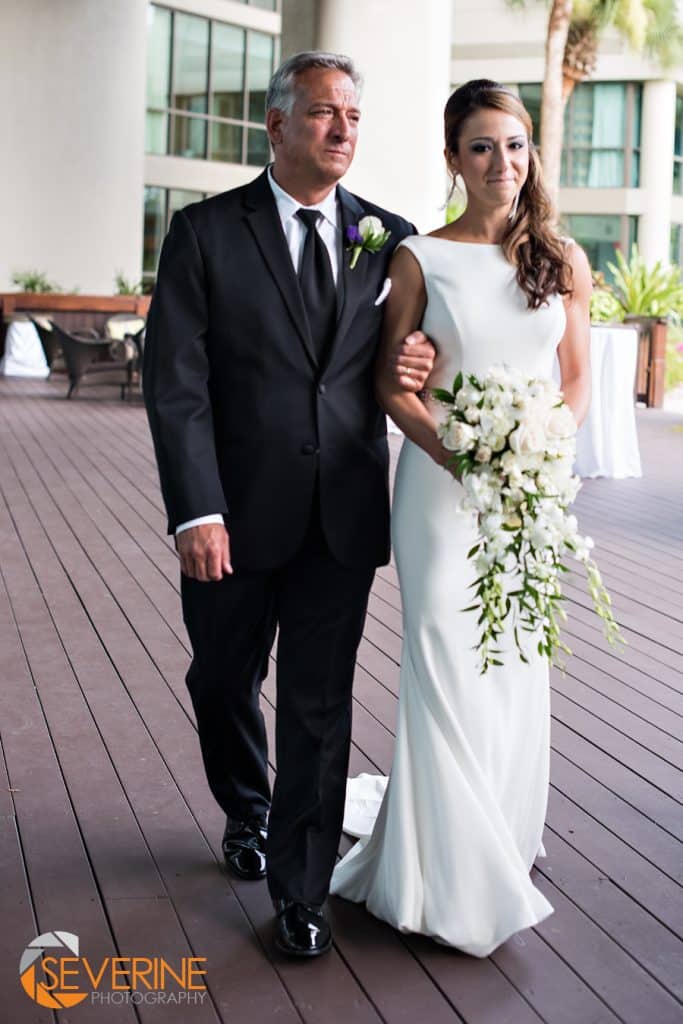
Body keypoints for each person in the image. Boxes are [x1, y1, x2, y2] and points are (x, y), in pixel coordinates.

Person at [143, 51, 435, 959]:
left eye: (352, 116)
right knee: (224, 676)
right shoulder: (203, 232)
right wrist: (197, 511)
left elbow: (405, 356)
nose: (343, 131)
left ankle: (299, 891)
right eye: (322, 115)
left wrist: (418, 363)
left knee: (318, 705)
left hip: (339, 512)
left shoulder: (390, 239)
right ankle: (247, 806)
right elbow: (177, 383)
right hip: (230, 513)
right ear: (276, 126)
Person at [330, 79, 592, 956]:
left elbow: (578, 379)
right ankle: (445, 873)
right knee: (445, 655)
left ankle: (500, 836)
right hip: (442, 495)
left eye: (514, 145)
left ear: (530, 155)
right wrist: (460, 456)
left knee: (515, 661)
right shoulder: (420, 258)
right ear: (452, 159)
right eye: (480, 147)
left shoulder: (561, 258)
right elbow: (388, 384)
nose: (500, 164)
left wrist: (542, 448)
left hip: (527, 496)